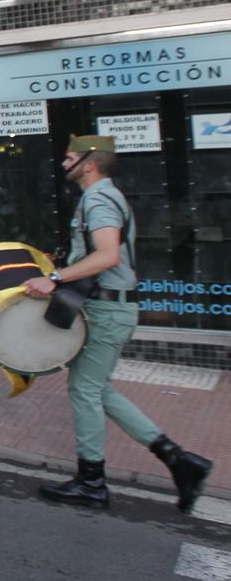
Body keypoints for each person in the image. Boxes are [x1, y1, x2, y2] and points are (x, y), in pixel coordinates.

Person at [23, 134, 214, 514]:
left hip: (108, 311)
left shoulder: (97, 199)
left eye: (70, 158)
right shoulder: (106, 197)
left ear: (90, 163)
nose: (64, 164)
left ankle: (92, 482)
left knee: (84, 390)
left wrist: (54, 279)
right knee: (96, 389)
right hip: (109, 308)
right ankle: (179, 461)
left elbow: (107, 256)